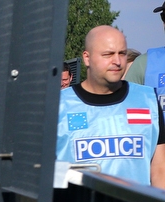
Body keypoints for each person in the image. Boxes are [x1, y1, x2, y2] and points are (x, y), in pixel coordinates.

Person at [57, 25, 165, 188]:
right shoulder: (58, 105)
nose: (117, 61)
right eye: (108, 54)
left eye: (121, 53)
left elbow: (159, 170)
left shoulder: (148, 99)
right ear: (87, 58)